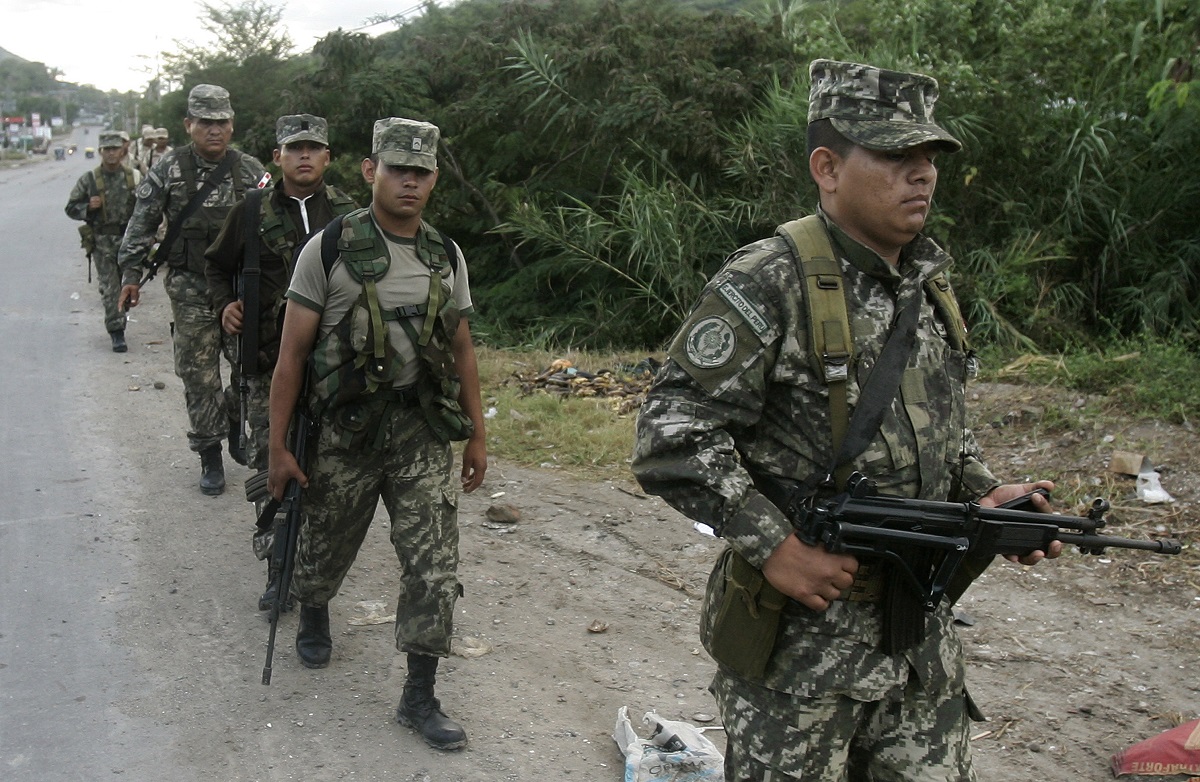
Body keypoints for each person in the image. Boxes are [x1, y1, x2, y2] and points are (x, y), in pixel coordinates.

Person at [631, 59, 1062, 782]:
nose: (921, 174)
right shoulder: (770, 281)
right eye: (896, 155)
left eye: (929, 157)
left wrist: (986, 498)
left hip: (918, 644)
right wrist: (775, 546)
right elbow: (671, 433)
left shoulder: (929, 284)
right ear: (827, 167)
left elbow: (944, 428)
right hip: (799, 659)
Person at [266, 117, 487, 750]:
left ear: (434, 179)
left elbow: (463, 347)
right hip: (346, 433)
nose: (409, 182)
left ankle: (420, 696)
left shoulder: (444, 254)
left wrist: (476, 434)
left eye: (421, 173)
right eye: (398, 170)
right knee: (325, 547)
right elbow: (291, 358)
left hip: (420, 431)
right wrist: (278, 448)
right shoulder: (328, 249)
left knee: (433, 568)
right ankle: (312, 604)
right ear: (371, 171)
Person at [204, 113, 357, 609]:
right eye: (295, 149)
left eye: (314, 148)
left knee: (328, 474)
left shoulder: (352, 215)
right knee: (274, 466)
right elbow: (215, 265)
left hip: (337, 368)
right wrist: (224, 304)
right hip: (270, 365)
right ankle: (278, 568)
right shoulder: (250, 212)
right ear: (278, 157)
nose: (305, 157)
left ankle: (314, 579)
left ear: (329, 158)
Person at [117, 84, 269, 496]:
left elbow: (277, 228)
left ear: (232, 125)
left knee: (247, 370)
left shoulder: (253, 172)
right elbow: (141, 224)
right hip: (190, 288)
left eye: (221, 122)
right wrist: (131, 276)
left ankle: (235, 425)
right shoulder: (168, 169)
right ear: (189, 125)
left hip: (240, 291)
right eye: (205, 123)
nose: (215, 130)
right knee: (199, 374)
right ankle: (210, 454)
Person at [65, 130, 140, 352]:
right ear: (100, 152)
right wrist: (87, 207)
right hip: (103, 242)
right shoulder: (89, 180)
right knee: (110, 287)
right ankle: (116, 331)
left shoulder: (133, 177)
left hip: (129, 241)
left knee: (128, 285)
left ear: (122, 150)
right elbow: (70, 208)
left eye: (115, 149)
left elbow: (148, 209)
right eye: (106, 149)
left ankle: (120, 313)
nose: (111, 154)